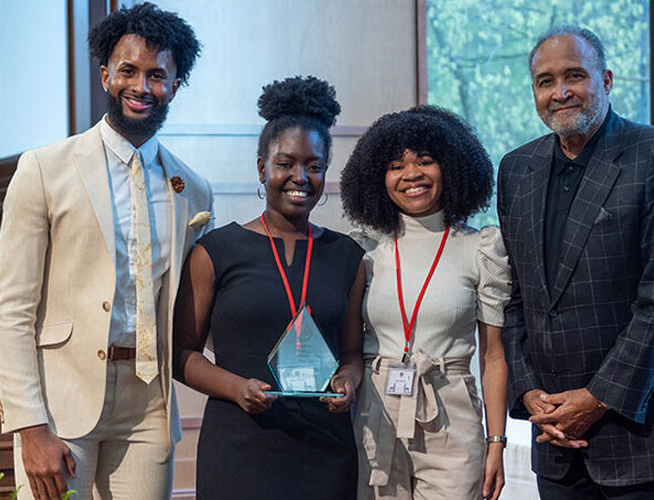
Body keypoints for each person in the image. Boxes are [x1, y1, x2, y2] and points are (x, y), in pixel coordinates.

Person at [0, 4, 214, 500]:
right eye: (128, 70)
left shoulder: (194, 191)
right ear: (105, 75)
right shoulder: (43, 169)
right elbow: (11, 310)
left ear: (175, 86)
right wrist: (30, 427)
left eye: (157, 75)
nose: (141, 86)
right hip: (60, 401)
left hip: (149, 407)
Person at [173, 75, 366, 500]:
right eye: (286, 163)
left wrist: (349, 380)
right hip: (240, 447)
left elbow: (352, 353)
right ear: (262, 167)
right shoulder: (216, 251)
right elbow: (181, 354)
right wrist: (236, 388)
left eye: (314, 166)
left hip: (326, 449)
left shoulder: (347, 256)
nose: (301, 176)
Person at [497, 25, 654, 499]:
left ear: (606, 80)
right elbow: (513, 297)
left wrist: (598, 397)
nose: (560, 93)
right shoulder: (516, 169)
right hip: (555, 443)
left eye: (574, 76)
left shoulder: (647, 155)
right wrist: (528, 394)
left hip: (636, 438)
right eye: (545, 81)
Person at [340, 105, 509, 500]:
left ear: (451, 167)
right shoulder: (365, 249)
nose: (411, 175)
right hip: (374, 415)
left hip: (451, 418)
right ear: (377, 177)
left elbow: (494, 356)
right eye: (396, 165)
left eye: (425, 161)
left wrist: (496, 441)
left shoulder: (480, 247)